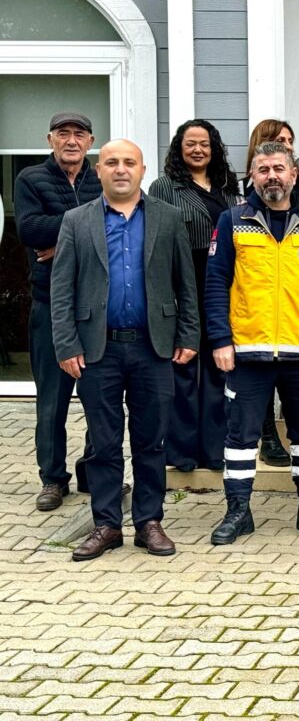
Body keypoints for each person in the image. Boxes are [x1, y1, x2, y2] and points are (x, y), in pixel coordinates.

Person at [50, 140, 200, 560]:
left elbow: (185, 283)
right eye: (112, 162)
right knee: (103, 443)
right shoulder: (76, 221)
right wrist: (66, 344)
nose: (120, 170)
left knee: (151, 440)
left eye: (128, 163)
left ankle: (149, 522)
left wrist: (190, 335)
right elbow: (60, 290)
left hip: (154, 349)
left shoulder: (168, 218)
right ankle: (106, 525)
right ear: (98, 170)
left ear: (142, 169)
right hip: (97, 350)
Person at [204, 141, 299, 545]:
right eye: (262, 170)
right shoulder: (232, 220)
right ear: (253, 176)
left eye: (279, 168)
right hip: (246, 350)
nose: (271, 177)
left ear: (294, 174)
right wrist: (220, 339)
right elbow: (215, 283)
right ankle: (238, 512)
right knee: (241, 437)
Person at [14, 111, 103, 511]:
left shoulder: (101, 179)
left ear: (90, 141)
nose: (71, 141)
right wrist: (82, 231)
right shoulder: (30, 179)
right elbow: (29, 230)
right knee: (52, 400)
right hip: (49, 305)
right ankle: (52, 479)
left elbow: (116, 225)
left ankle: (93, 474)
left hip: (96, 308)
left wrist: (64, 241)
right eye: (63, 134)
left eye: (79, 134)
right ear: (50, 139)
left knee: (99, 396)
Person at [148, 120, 243, 472]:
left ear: (214, 147)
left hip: (225, 285)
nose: (198, 149)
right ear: (179, 147)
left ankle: (215, 448)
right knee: (184, 368)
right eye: (191, 144)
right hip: (183, 284)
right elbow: (155, 242)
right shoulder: (163, 187)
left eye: (205, 143)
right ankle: (182, 452)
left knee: (220, 367)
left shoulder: (229, 186)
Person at [242, 118, 299, 467]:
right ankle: (267, 436)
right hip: (254, 323)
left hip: (297, 329)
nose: (273, 173)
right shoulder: (239, 215)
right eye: (276, 142)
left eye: (288, 142)